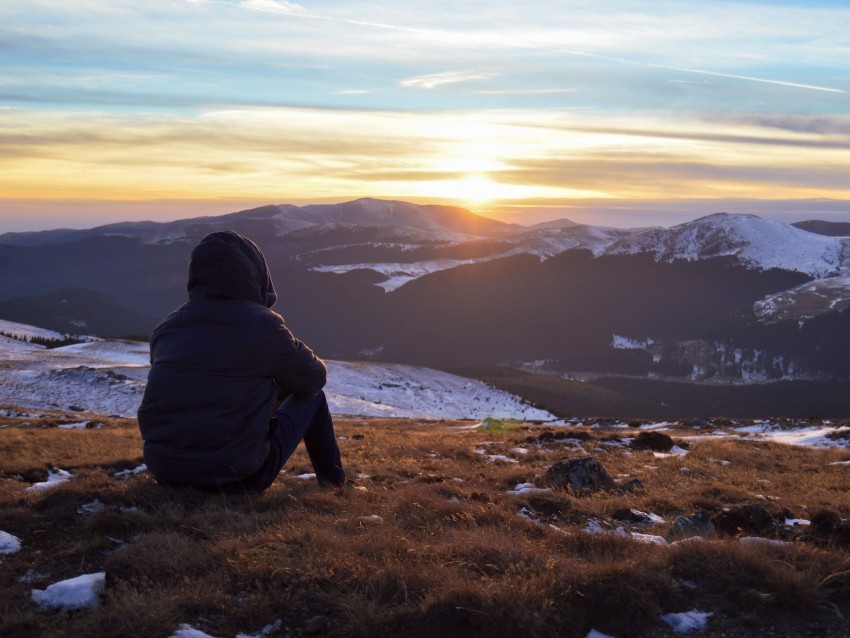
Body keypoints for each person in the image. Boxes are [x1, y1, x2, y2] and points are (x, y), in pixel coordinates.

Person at [137, 230, 345, 492]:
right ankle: (335, 487)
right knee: (313, 397)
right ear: (257, 274)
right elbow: (313, 378)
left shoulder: (167, 328)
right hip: (237, 478)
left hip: (166, 472)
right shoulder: (263, 327)